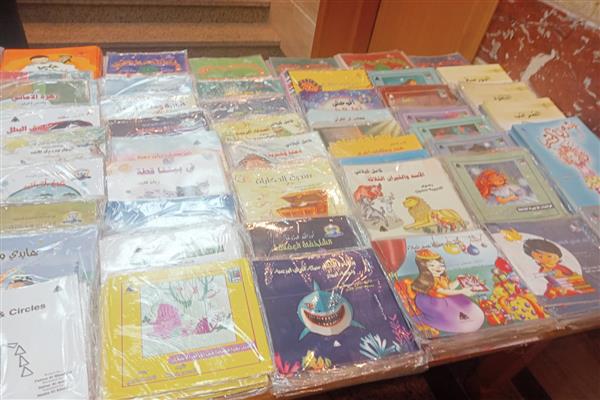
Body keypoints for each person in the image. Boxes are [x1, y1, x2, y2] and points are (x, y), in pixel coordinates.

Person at [411, 248, 485, 333]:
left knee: (468, 311)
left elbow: (448, 288)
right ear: (424, 268)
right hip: (433, 302)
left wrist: (458, 280)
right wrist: (461, 291)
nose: (438, 268)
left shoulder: (442, 278)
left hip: (445, 298)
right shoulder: (430, 281)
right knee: (452, 319)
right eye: (432, 266)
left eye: (441, 265)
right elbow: (443, 291)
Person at [523, 238, 594, 298]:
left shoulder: (560, 268)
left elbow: (573, 279)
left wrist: (563, 280)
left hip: (568, 287)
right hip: (554, 287)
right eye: (540, 257)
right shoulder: (542, 269)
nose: (545, 259)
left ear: (557, 257)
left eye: (549, 256)